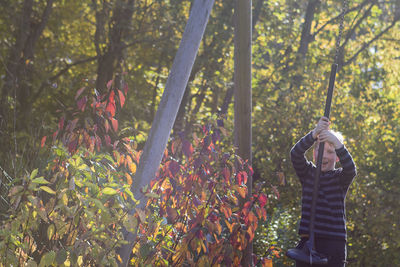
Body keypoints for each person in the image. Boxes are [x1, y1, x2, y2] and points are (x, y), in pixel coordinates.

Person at [290, 116, 357, 267]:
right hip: (307, 243)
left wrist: (338, 143)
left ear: (337, 157)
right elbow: (295, 154)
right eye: (319, 149)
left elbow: (351, 170)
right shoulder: (308, 173)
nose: (324, 155)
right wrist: (314, 133)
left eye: (330, 151)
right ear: (313, 152)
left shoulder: (340, 178)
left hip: (333, 244)